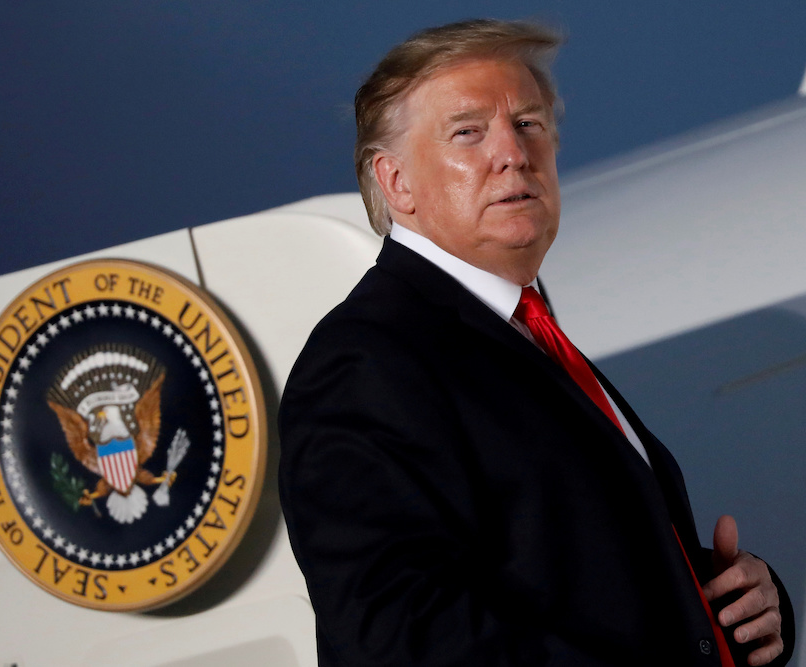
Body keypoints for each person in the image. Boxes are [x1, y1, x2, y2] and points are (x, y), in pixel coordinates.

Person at [278, 19, 795, 667]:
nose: (513, 153)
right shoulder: (365, 360)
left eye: (528, 123)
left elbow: (571, 578)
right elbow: (397, 636)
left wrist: (737, 608)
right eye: (468, 132)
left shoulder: (525, 332)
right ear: (396, 182)